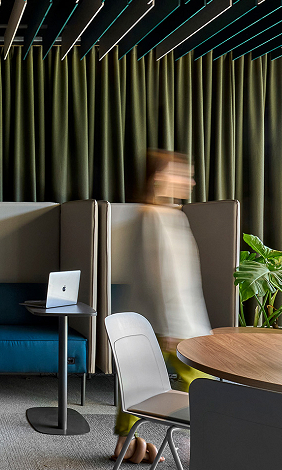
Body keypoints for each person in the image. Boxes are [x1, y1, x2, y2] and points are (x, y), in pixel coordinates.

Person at [110, 150, 213, 464]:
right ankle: (204, 445)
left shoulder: (171, 215)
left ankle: (127, 443)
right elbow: (159, 277)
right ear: (160, 178)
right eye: (183, 174)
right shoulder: (153, 217)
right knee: (202, 384)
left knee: (140, 382)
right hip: (169, 325)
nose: (190, 182)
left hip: (174, 322)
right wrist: (171, 328)